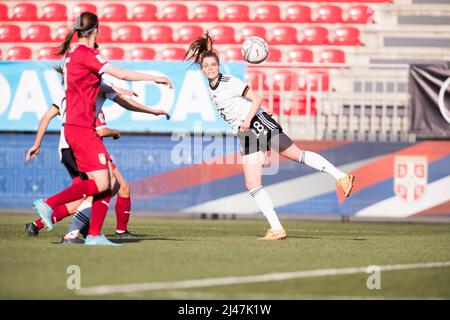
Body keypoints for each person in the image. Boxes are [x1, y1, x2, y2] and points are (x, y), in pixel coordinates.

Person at [184, 33, 355, 240]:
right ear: (202, 70)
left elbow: (256, 98)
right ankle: (277, 228)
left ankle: (341, 177)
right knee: (253, 183)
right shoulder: (212, 88)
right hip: (246, 133)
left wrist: (249, 119)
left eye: (213, 65)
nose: (210, 68)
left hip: (255, 124)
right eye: (206, 66)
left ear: (219, 66)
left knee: (294, 156)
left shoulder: (230, 82)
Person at [32, 11, 172, 246]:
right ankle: (51, 205)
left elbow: (103, 86)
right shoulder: (88, 54)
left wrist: (126, 95)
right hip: (82, 128)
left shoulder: (72, 53)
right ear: (96, 29)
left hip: (76, 127)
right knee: (104, 184)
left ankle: (94, 234)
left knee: (108, 185)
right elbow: (122, 73)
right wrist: (153, 78)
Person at [25, 71, 170, 243]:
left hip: (66, 147)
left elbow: (46, 117)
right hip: (82, 145)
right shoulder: (92, 92)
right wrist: (120, 126)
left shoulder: (68, 94)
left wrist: (37, 143)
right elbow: (108, 120)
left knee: (103, 189)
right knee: (108, 186)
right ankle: (74, 227)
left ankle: (49, 224)